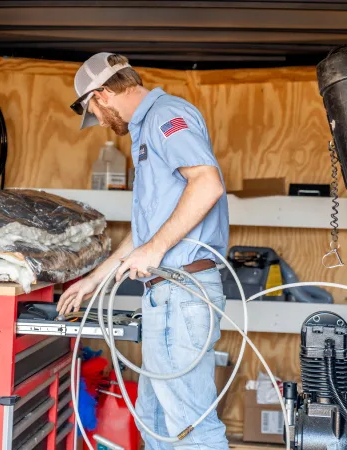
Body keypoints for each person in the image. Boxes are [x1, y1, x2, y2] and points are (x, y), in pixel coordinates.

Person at [58, 52, 230, 449]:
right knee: (155, 423)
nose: (100, 124)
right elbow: (148, 234)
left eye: (95, 113)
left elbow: (207, 183)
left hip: (182, 292)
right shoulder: (145, 130)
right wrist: (93, 281)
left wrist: (154, 249)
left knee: (191, 430)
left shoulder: (167, 117)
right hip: (167, 295)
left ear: (102, 94)